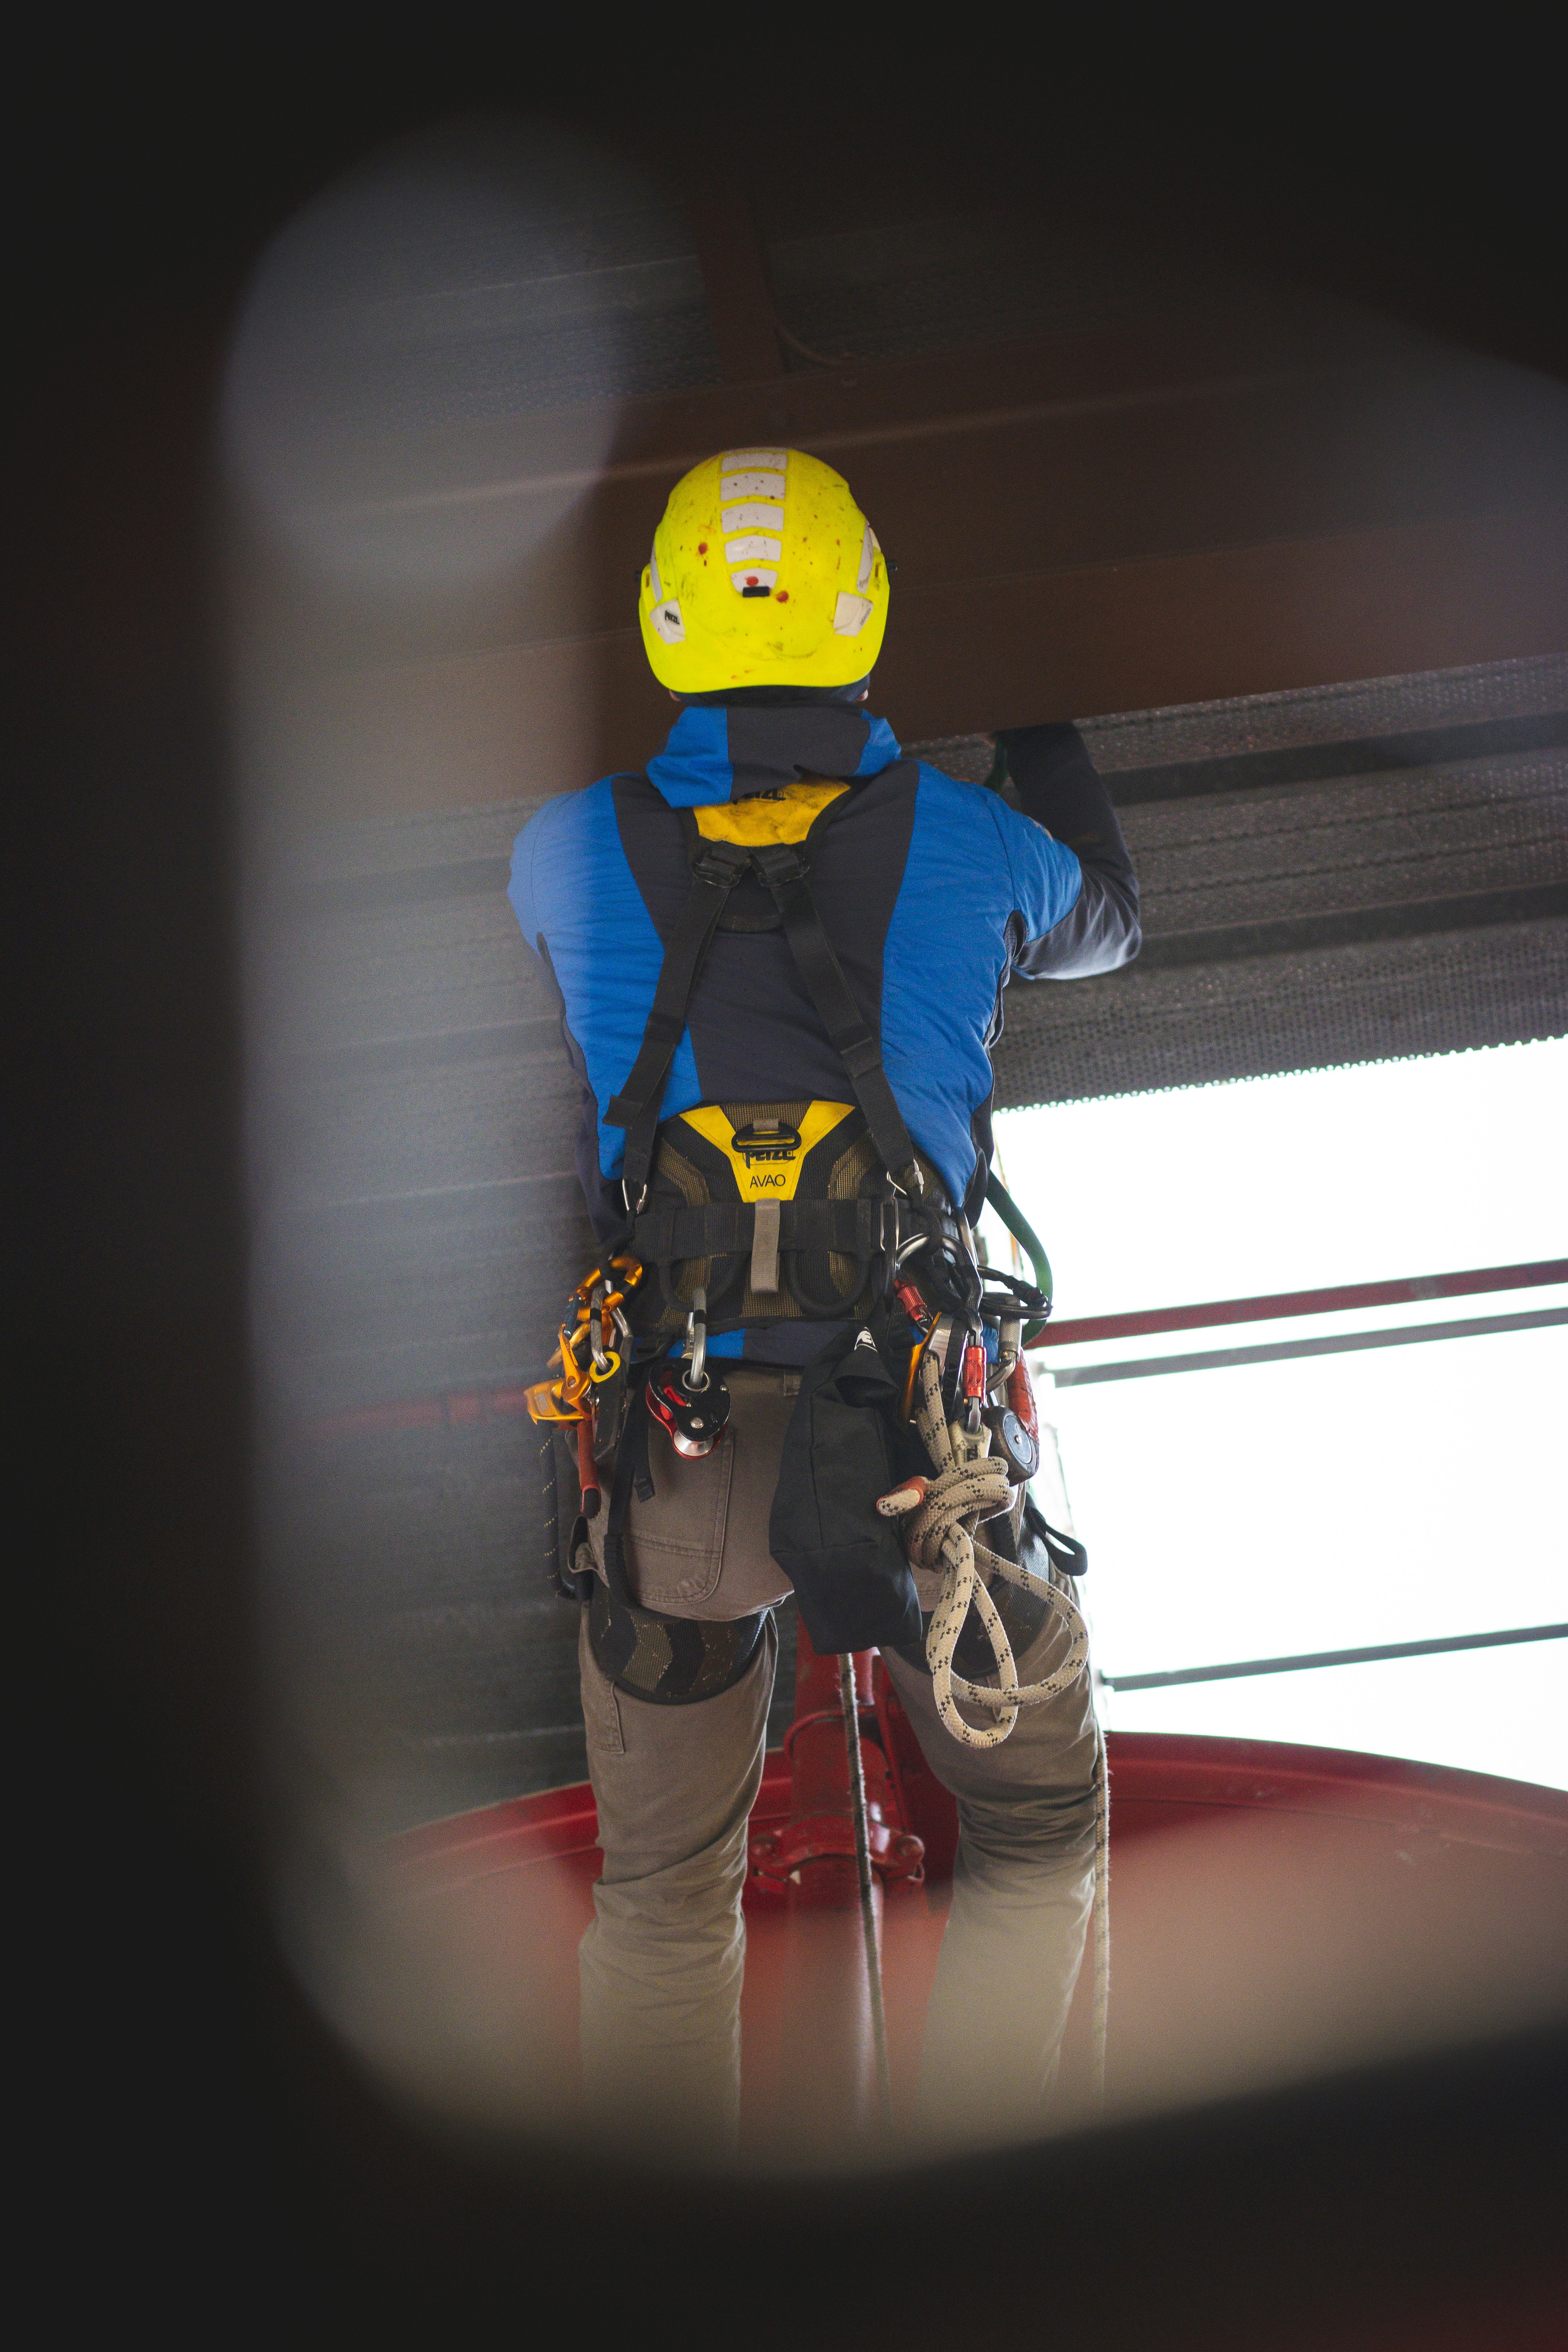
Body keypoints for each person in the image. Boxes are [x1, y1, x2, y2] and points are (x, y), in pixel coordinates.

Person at [507, 446, 1139, 2152]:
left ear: (656, 626)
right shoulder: (969, 845)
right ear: (865, 614)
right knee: (1032, 1826)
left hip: (680, 1454)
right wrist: (1040, 738)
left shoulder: (562, 854)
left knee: (659, 1897)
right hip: (914, 1453)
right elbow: (1106, 921)